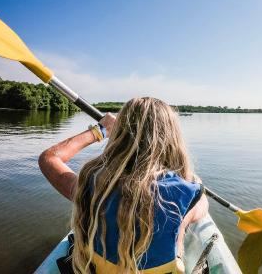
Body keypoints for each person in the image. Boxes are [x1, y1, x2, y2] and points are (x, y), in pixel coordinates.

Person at [39, 97, 208, 274]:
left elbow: (49, 158)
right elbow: (201, 208)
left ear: (119, 135)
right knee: (179, 231)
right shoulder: (187, 193)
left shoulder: (91, 185)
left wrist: (100, 130)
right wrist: (193, 180)